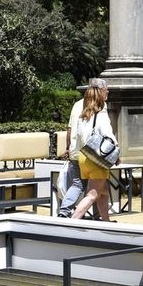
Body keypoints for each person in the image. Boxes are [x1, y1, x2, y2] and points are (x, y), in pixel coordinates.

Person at [68, 78, 116, 222]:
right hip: (97, 159)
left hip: (85, 157)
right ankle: (72, 221)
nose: (108, 91)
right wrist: (116, 153)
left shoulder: (83, 115)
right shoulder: (101, 114)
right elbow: (109, 135)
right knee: (92, 195)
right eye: (106, 90)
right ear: (100, 94)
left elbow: (80, 136)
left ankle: (106, 222)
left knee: (103, 192)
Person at [54, 86, 91, 218]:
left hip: (75, 151)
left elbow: (69, 128)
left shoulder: (76, 105)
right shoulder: (96, 105)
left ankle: (64, 212)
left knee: (78, 185)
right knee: (94, 187)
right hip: (88, 154)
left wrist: (68, 147)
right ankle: (97, 216)